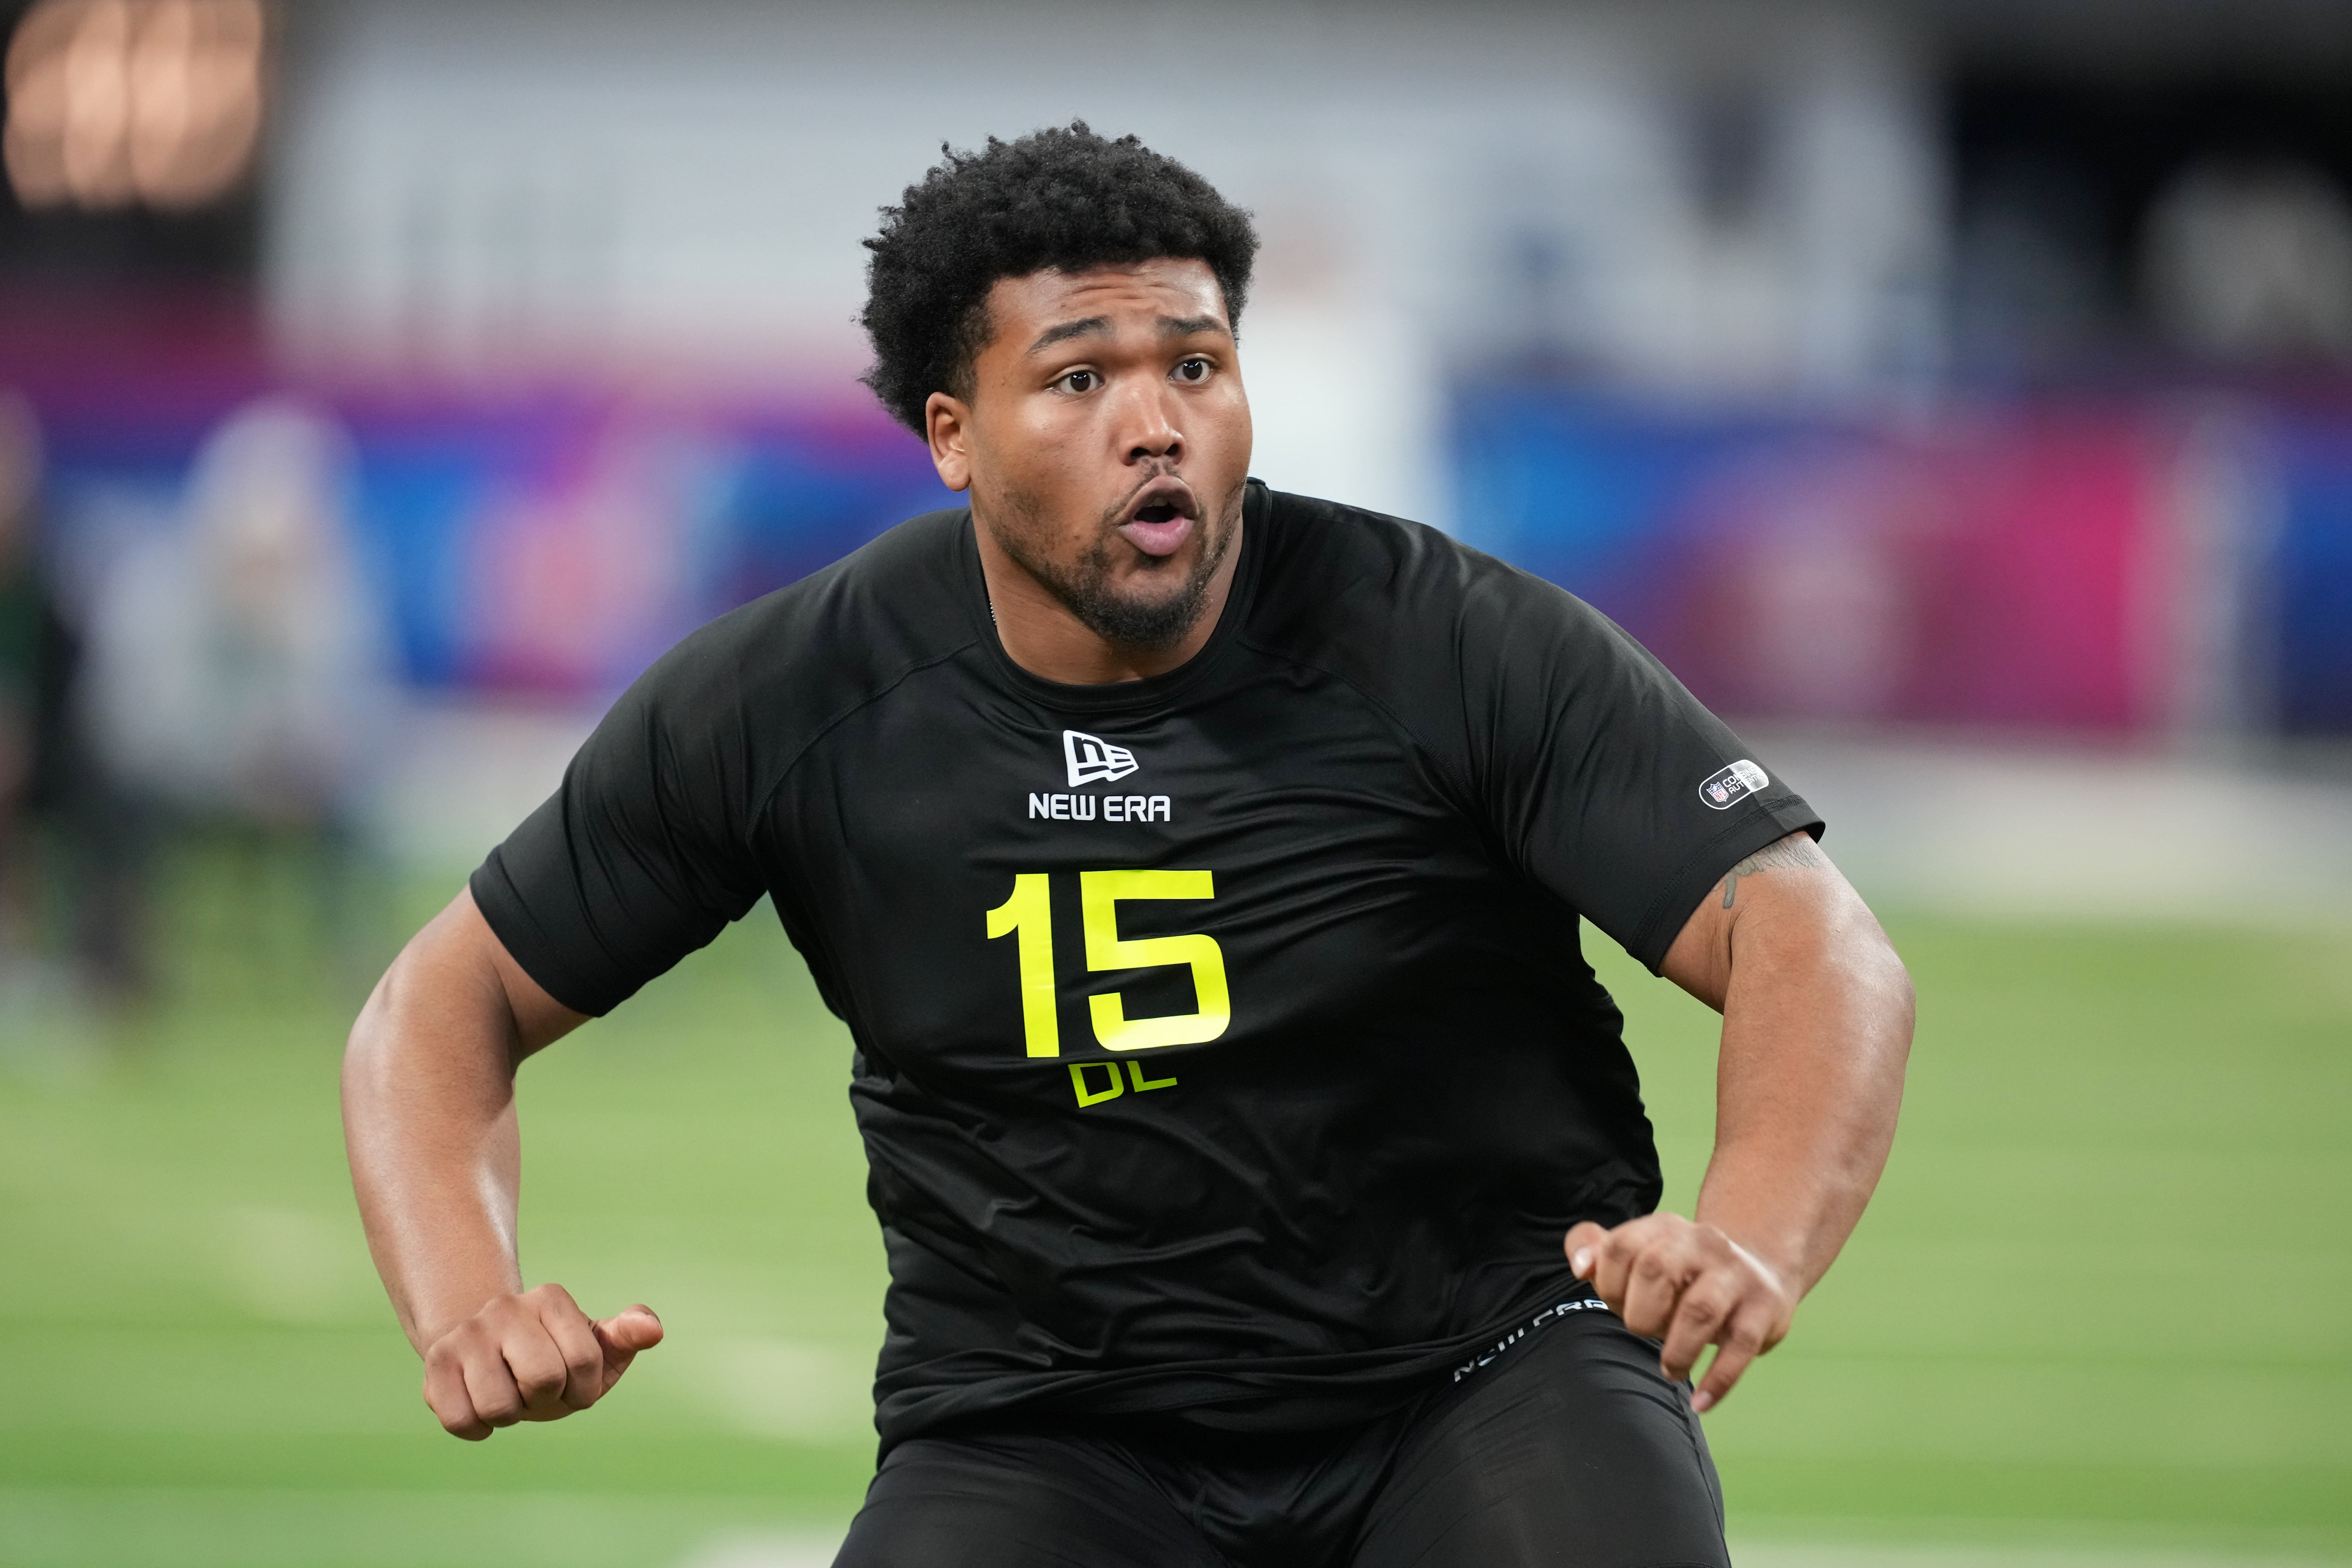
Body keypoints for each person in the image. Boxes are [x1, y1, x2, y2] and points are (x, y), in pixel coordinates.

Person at [342, 124, 1913, 1567]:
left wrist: (1746, 1233)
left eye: (1197, 363)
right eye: (1080, 379)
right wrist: (468, 1306)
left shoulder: (1446, 640)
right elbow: (439, 1008)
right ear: (952, 433)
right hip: (1042, 1422)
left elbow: (1806, 935)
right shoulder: (800, 694)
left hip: (1481, 1368)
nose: (1155, 424)